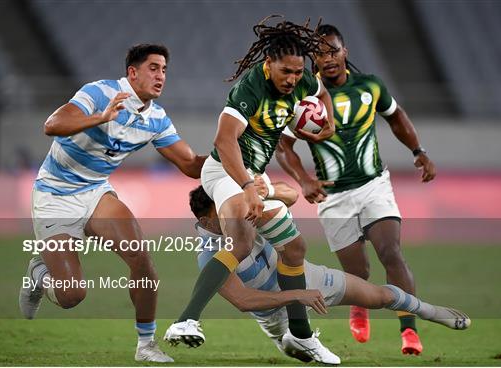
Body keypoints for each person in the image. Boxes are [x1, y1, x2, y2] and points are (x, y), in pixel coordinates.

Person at [164, 16, 341, 364]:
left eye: (296, 71)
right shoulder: (249, 89)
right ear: (268, 64)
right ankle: (185, 321)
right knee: (242, 243)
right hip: (225, 171)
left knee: (295, 247)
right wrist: (246, 186)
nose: (292, 79)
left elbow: (321, 91)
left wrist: (329, 122)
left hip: (253, 176)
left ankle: (302, 336)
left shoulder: (302, 80)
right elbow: (224, 140)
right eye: (285, 72)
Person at [19, 43, 206, 363]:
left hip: (95, 193)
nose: (161, 76)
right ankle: (39, 274)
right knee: (72, 296)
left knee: (142, 260)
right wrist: (98, 118)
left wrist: (228, 160)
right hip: (55, 195)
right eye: (153, 68)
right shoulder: (100, 93)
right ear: (132, 73)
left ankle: (146, 345)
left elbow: (189, 164)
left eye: (164, 70)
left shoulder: (157, 118)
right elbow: (52, 125)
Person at [276, 24, 437, 355]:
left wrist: (418, 151)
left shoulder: (370, 86)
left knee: (390, 252)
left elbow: (396, 117)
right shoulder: (306, 98)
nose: (328, 58)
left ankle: (409, 330)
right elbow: (284, 145)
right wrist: (304, 179)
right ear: (313, 59)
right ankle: (358, 306)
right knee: (357, 270)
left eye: (333, 50)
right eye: (320, 53)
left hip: (374, 185)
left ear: (345, 51)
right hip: (334, 197)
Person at [188, 180, 469, 363]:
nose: (231, 215)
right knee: (295, 349)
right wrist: (298, 295)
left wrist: (267, 191)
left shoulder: (246, 209)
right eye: (223, 213)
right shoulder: (210, 257)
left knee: (380, 296)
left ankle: (430, 311)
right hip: (276, 316)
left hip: (307, 277)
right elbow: (244, 301)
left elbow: (290, 194)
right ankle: (291, 342)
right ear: (206, 220)